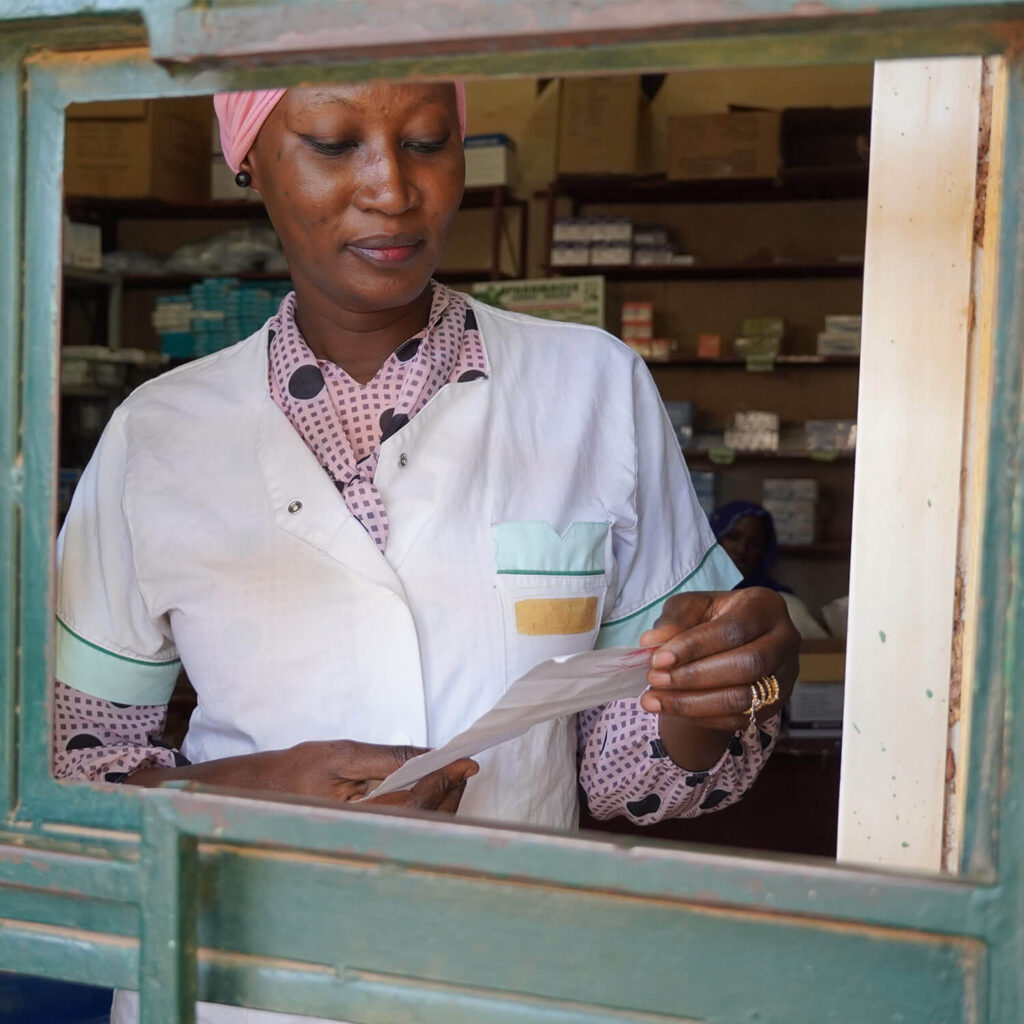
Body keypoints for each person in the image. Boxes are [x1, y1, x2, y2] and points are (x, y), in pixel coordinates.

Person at [53, 80, 799, 1024]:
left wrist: (730, 688)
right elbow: (72, 774)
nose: (391, 189)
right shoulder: (156, 436)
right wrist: (248, 793)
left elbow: (628, 772)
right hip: (242, 982)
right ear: (249, 162)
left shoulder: (588, 388)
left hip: (516, 977)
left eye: (426, 142)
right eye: (332, 142)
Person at [711, 500, 828, 638]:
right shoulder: (691, 592)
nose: (742, 549)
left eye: (754, 543)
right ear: (714, 539)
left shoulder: (781, 604)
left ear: (765, 552)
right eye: (733, 537)